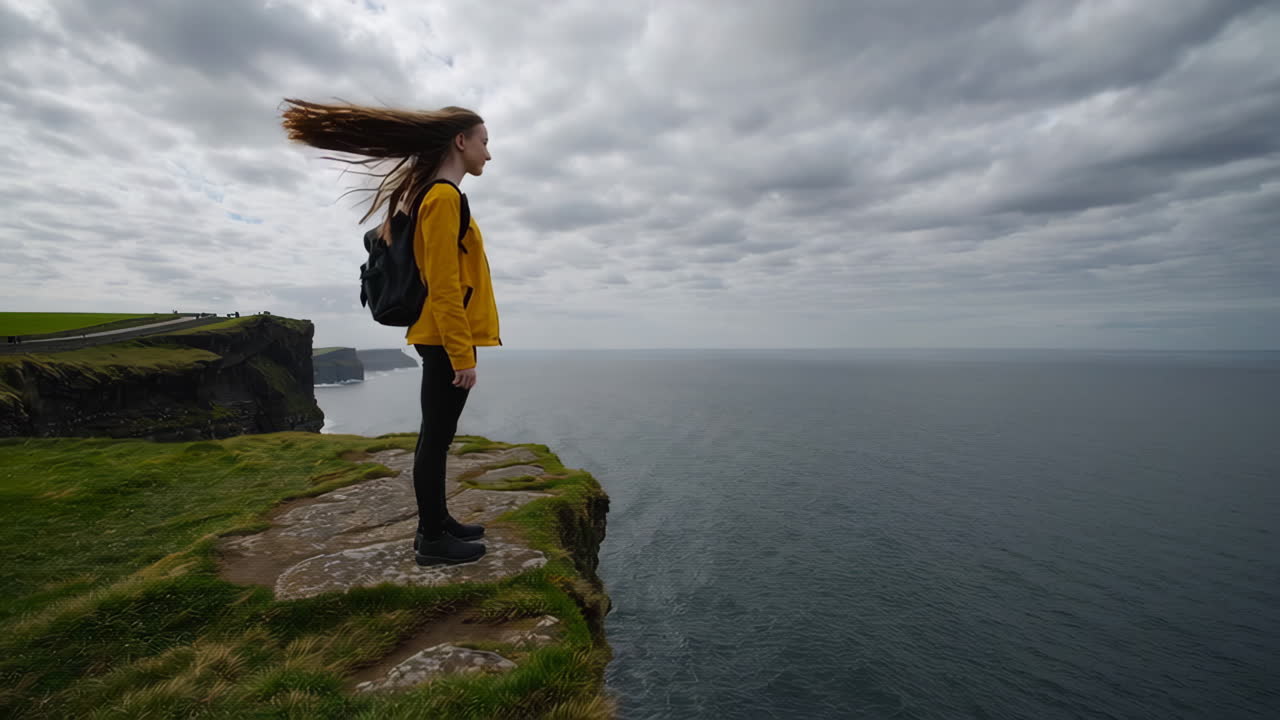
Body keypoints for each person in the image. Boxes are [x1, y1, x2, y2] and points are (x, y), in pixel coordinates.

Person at [280, 99, 500, 566]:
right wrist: (463, 355)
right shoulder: (443, 198)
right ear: (460, 141)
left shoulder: (439, 196)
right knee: (436, 439)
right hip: (444, 338)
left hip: (440, 336)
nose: (489, 153)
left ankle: (439, 523)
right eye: (484, 141)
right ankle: (431, 538)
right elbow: (443, 285)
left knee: (435, 437)